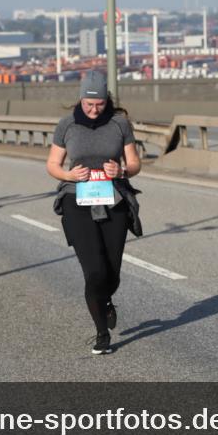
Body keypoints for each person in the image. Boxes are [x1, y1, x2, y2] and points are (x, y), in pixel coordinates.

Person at [47, 71, 142, 355]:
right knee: (94, 271)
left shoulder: (119, 123)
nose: (93, 109)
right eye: (88, 104)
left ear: (106, 99)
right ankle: (102, 333)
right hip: (77, 202)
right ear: (80, 98)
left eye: (99, 104)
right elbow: (52, 164)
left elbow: (135, 163)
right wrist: (69, 174)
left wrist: (122, 170)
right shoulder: (67, 125)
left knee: (112, 273)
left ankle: (106, 299)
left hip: (113, 200)